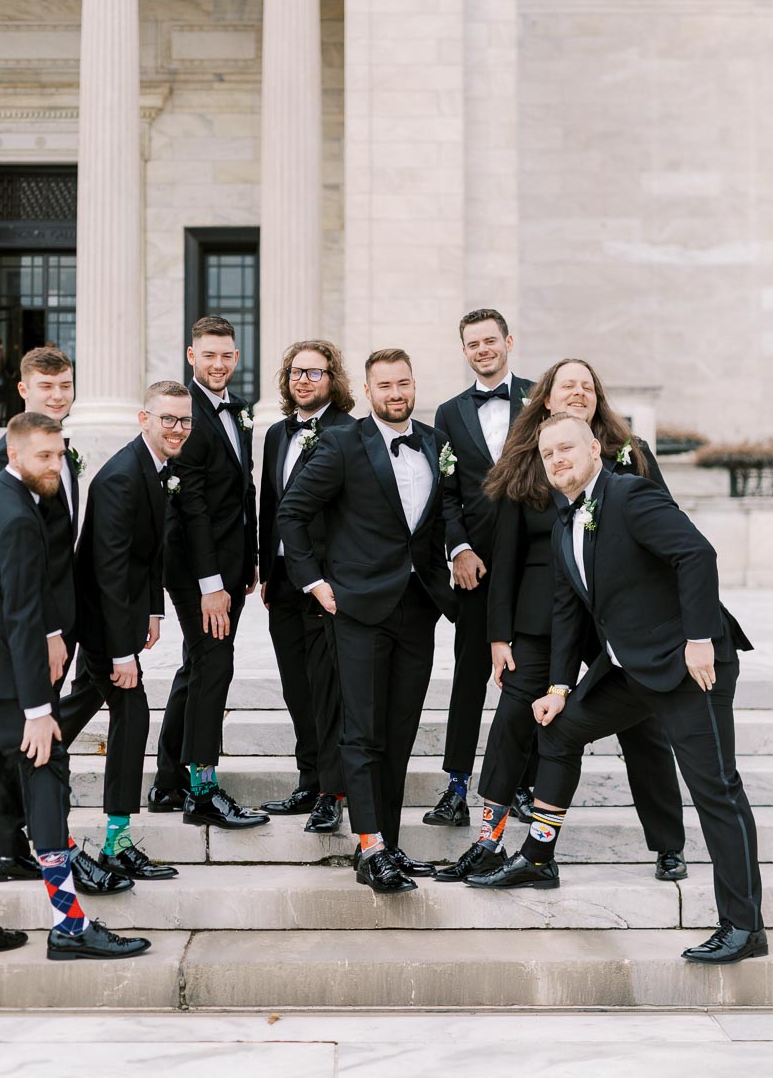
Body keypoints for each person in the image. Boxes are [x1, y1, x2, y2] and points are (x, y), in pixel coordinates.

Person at [471, 413, 766, 966]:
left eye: (567, 448)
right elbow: (566, 610)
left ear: (595, 449)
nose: (557, 459)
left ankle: (744, 927)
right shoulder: (564, 525)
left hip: (688, 665)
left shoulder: (630, 495)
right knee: (556, 729)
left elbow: (696, 555)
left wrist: (700, 638)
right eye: (548, 453)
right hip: (631, 670)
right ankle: (539, 855)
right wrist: (559, 686)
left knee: (716, 791)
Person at [436, 359, 686, 884]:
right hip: (538, 618)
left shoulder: (629, 456)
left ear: (598, 398)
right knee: (510, 723)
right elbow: (503, 555)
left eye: (587, 386)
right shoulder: (526, 460)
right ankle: (489, 841)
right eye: (566, 385)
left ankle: (668, 845)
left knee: (644, 732)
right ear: (545, 398)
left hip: (615, 622)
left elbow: (669, 538)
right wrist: (498, 635)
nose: (577, 392)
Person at [0, 412, 150, 961]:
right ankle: (69, 926)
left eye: (58, 455)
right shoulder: (17, 519)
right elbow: (24, 616)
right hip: (9, 683)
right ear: (15, 454)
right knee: (47, 774)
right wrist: (36, 709)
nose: (54, 466)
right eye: (43, 457)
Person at [279, 348, 457, 892]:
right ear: (369, 389)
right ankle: (369, 846)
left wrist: (463, 546)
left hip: (418, 606)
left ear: (413, 384)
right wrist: (315, 582)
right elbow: (292, 511)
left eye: (403, 383)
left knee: (400, 732)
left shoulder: (432, 441)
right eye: (385, 386)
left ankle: (392, 845)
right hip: (355, 607)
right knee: (361, 733)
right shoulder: (341, 442)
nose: (396, 394)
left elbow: (446, 510)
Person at [0, 346, 129, 896]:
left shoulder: (60, 448)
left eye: (65, 385)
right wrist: (46, 633)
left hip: (60, 621)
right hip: (34, 628)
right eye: (47, 388)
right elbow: (20, 561)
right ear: (23, 391)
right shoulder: (10, 457)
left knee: (32, 736)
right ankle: (54, 853)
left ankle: (3, 848)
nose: (58, 395)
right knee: (44, 741)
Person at [58, 383, 192, 880]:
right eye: (168, 420)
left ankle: (25, 754)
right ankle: (116, 839)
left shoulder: (154, 468)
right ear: (144, 418)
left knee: (81, 705)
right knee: (132, 714)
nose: (177, 429)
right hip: (97, 620)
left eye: (185, 421)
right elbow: (109, 573)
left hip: (120, 614)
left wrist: (154, 610)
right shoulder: (120, 477)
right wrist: (120, 654)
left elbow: (150, 552)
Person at [149, 316, 268, 828]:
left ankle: (167, 782)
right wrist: (211, 586)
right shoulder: (184, 416)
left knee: (196, 666)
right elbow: (192, 506)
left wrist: (252, 560)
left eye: (226, 355)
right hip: (199, 572)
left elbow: (244, 492)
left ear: (236, 359)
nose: (218, 364)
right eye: (208, 355)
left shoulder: (238, 411)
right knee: (215, 665)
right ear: (191, 356)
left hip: (232, 564)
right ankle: (202, 788)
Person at [424, 309, 535, 829]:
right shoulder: (447, 413)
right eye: (473, 343)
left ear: (508, 342)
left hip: (535, 565)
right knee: (468, 678)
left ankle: (528, 784)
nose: (483, 349)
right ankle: (456, 786)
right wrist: (458, 549)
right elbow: (446, 494)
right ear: (464, 350)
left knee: (530, 676)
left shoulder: (540, 398)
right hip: (477, 567)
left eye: (491, 340)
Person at [258, 341, 355, 831]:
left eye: (315, 373)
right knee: (297, 688)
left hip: (324, 582)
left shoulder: (349, 432)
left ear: (332, 379)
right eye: (296, 372)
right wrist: (263, 568)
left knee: (328, 689)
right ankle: (308, 778)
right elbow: (269, 504)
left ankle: (332, 792)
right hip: (282, 582)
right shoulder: (276, 434)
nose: (303, 381)